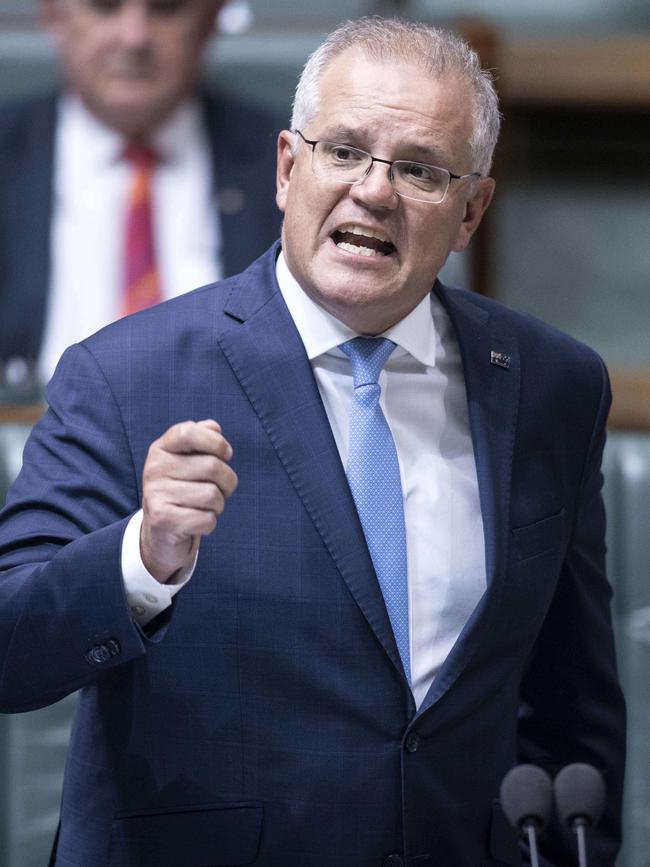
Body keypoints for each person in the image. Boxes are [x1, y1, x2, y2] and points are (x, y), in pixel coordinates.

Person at [0, 16, 625, 867]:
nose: (374, 190)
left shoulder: (554, 384)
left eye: (419, 169)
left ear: (472, 208)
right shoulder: (125, 375)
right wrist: (143, 558)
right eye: (344, 151)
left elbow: (570, 701)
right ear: (289, 168)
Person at [0, 0, 281, 385]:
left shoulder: (286, 165)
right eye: (104, 7)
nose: (135, 38)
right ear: (53, 15)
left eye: (166, 9)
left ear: (210, 18)